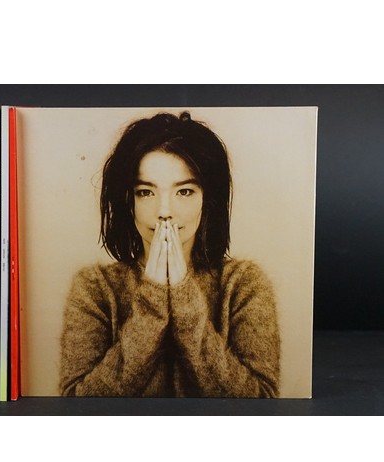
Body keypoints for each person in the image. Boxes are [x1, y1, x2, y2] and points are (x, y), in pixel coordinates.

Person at [59, 111, 280, 397]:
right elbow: (76, 403)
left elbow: (262, 401)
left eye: (184, 192)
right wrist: (151, 302)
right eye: (145, 192)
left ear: (207, 200)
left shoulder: (243, 284)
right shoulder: (95, 288)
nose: (164, 211)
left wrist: (184, 297)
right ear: (127, 201)